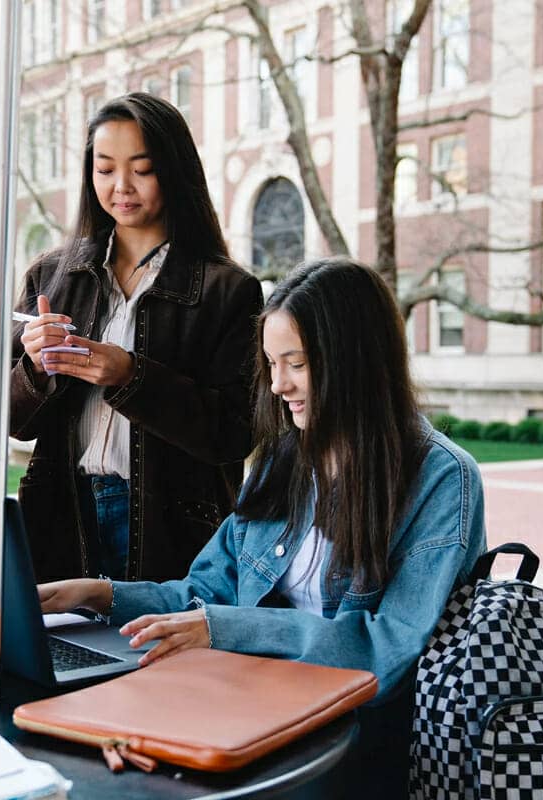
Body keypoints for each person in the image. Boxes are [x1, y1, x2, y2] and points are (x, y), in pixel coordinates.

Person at [38, 259, 487, 795]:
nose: (277, 385)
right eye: (272, 364)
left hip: (354, 737)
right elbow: (204, 594)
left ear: (355, 360)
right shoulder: (284, 460)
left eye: (296, 364)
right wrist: (96, 595)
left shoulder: (442, 478)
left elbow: (388, 649)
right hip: (250, 703)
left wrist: (227, 630)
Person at [11, 92, 264, 584]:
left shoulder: (227, 290)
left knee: (154, 637)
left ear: (174, 171)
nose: (121, 186)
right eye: (105, 169)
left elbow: (237, 433)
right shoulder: (53, 275)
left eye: (142, 169)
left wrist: (132, 376)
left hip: (173, 527)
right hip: (63, 515)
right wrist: (35, 369)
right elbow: (11, 422)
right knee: (67, 634)